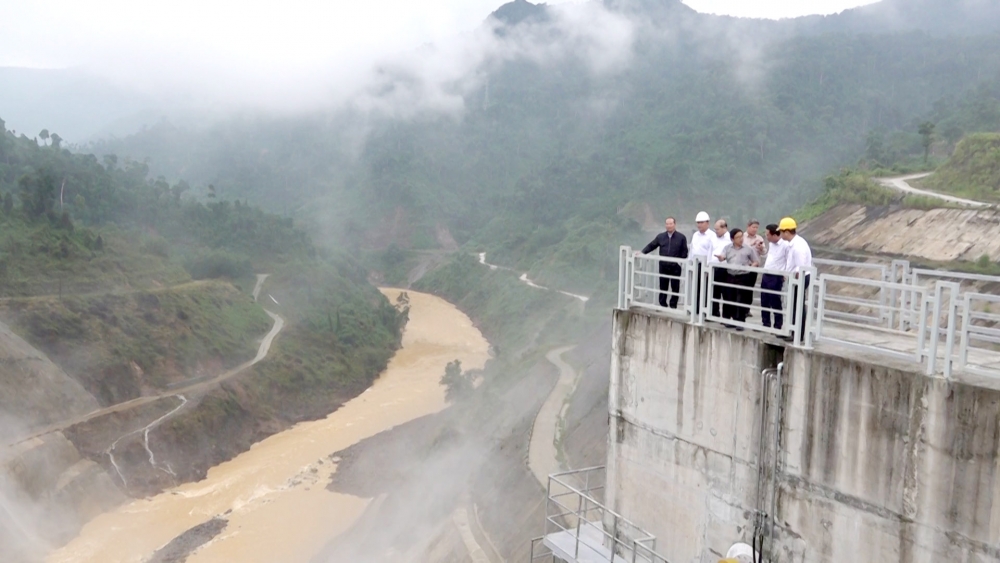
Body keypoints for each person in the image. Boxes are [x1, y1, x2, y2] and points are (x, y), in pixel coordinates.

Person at [640, 217, 689, 309]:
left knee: (675, 286)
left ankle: (673, 305)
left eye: (671, 224)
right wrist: (642, 252)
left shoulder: (681, 237)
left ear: (675, 224)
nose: (669, 226)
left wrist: (678, 260)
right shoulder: (661, 237)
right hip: (663, 265)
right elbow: (652, 245)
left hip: (675, 266)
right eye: (667, 224)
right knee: (663, 285)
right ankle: (662, 304)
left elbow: (684, 252)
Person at [716, 228, 759, 329]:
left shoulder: (748, 249)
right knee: (730, 299)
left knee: (741, 299)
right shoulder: (727, 248)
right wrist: (721, 258)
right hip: (730, 275)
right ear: (732, 239)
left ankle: (740, 322)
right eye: (738, 237)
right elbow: (723, 256)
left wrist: (752, 266)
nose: (740, 239)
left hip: (743, 276)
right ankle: (732, 320)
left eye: (741, 236)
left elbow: (756, 261)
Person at [779, 217, 813, 342]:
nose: (781, 234)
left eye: (781, 232)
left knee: (798, 306)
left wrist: (794, 277)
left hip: (800, 278)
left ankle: (798, 334)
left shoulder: (798, 246)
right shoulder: (795, 243)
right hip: (797, 278)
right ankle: (794, 331)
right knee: (794, 306)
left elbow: (801, 267)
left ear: (786, 232)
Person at [760, 223, 789, 330]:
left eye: (767, 235)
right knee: (764, 300)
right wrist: (762, 250)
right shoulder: (771, 244)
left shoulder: (785, 245)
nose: (766, 237)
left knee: (775, 300)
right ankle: (765, 323)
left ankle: (777, 325)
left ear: (773, 235)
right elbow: (769, 256)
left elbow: (788, 260)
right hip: (766, 273)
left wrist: (785, 273)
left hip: (776, 276)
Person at [689, 211, 715, 314]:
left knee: (705, 288)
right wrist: (690, 262)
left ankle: (704, 309)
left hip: (705, 265)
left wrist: (708, 267)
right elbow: (692, 249)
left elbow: (711, 251)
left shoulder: (712, 235)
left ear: (707, 223)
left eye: (701, 222)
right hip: (695, 264)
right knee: (696, 287)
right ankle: (696, 308)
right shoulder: (695, 235)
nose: (699, 225)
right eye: (698, 223)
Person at [709, 219, 731, 317]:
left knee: (726, 293)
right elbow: (710, 252)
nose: (716, 231)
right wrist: (707, 265)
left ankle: (726, 315)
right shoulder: (714, 238)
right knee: (714, 292)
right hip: (714, 268)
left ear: (724, 228)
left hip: (725, 269)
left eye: (717, 229)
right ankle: (714, 313)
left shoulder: (730, 238)